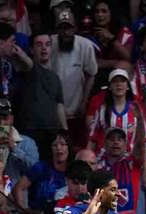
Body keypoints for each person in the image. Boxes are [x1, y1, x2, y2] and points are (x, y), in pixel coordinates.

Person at [50, 10, 97, 148]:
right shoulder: (49, 43)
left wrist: (84, 102)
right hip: (54, 112)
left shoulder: (85, 45)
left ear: (75, 28)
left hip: (77, 109)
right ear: (56, 29)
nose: (65, 32)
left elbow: (91, 74)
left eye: (69, 28)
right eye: (62, 28)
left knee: (77, 147)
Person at [20, 32, 68, 157]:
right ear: (31, 49)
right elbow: (27, 63)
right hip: (31, 131)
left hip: (52, 132)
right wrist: (19, 52)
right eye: (39, 45)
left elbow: (59, 105)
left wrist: (65, 131)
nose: (44, 48)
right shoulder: (27, 70)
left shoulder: (55, 77)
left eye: (47, 45)